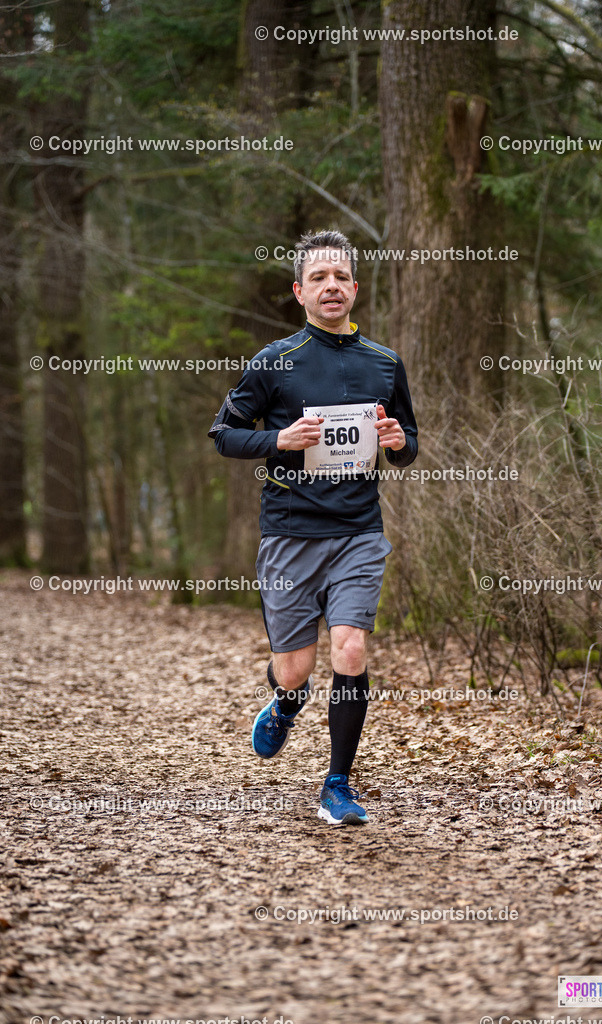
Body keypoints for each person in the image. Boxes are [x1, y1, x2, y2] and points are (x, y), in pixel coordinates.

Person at [208, 229, 418, 825]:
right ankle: (284, 702)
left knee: (350, 648)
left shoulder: (384, 364)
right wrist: (278, 439)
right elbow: (223, 434)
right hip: (290, 531)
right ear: (300, 292)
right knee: (296, 669)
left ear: (356, 288)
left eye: (341, 277)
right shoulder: (273, 363)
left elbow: (407, 443)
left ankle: (338, 784)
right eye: (318, 278)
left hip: (357, 529)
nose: (332, 286)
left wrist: (399, 443)